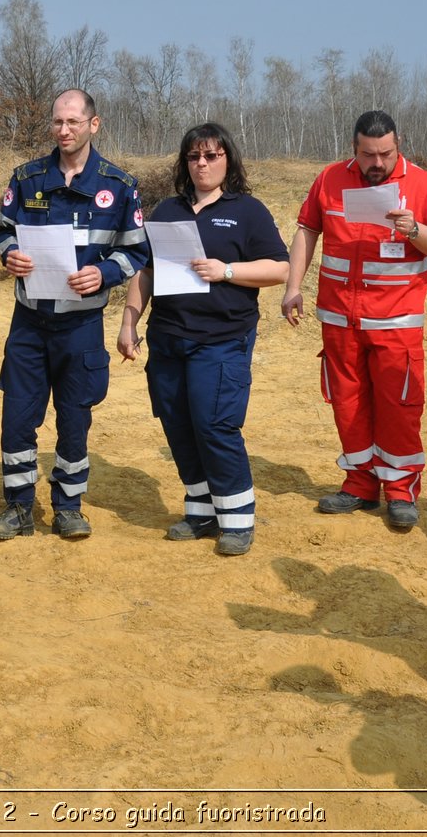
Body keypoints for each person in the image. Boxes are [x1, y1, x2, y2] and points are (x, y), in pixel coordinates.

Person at [117, 124, 289, 554]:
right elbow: (147, 271)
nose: (202, 164)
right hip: (169, 337)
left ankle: (237, 518)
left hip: (222, 338)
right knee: (177, 422)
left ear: (227, 160)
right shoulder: (167, 211)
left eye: (212, 156)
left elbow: (281, 268)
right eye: (194, 156)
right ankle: (201, 508)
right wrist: (129, 320)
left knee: (214, 423)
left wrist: (226, 270)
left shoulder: (248, 211)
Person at [0, 89, 147, 541]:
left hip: (81, 326)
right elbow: (3, 232)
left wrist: (103, 273)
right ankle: (17, 507)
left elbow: (138, 253)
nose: (64, 130)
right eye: (58, 122)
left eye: (74, 122)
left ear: (94, 124)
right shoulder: (26, 178)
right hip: (29, 323)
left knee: (74, 417)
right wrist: (9, 254)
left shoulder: (119, 186)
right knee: (17, 415)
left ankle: (69, 507)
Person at [281, 110, 427, 529]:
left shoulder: (423, 184)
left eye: (385, 153)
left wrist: (415, 230)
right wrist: (293, 286)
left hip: (396, 322)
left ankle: (400, 489)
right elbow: (307, 230)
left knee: (399, 407)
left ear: (399, 146)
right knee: (347, 402)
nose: (377, 163)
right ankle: (360, 483)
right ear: (353, 150)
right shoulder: (329, 179)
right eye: (367, 154)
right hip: (339, 318)